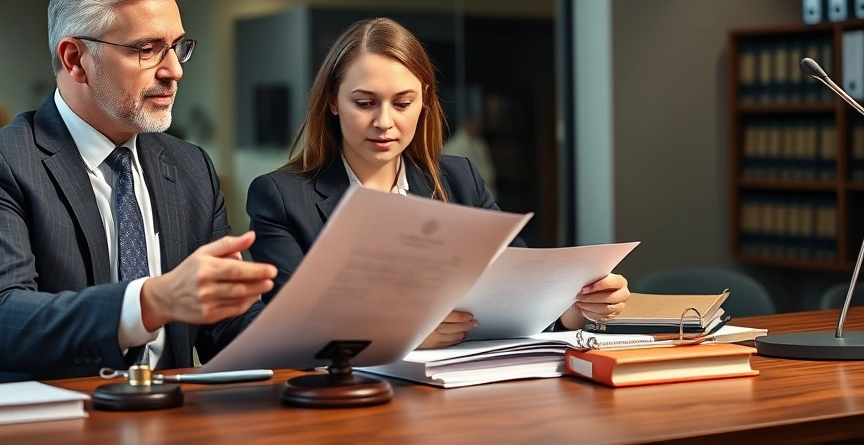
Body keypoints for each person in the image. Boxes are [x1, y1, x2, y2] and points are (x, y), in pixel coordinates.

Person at [0, 0, 277, 385]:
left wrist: (320, 333)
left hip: (164, 417)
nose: (174, 70)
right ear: (75, 58)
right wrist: (152, 301)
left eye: (177, 47)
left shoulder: (190, 165)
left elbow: (227, 326)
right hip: (34, 420)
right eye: (147, 49)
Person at [246, 18, 629, 349]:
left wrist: (573, 308)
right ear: (332, 101)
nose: (384, 121)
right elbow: (288, 333)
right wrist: (404, 332)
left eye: (402, 103)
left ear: (424, 100)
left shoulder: (459, 180)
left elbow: (518, 297)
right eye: (364, 103)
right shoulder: (281, 197)